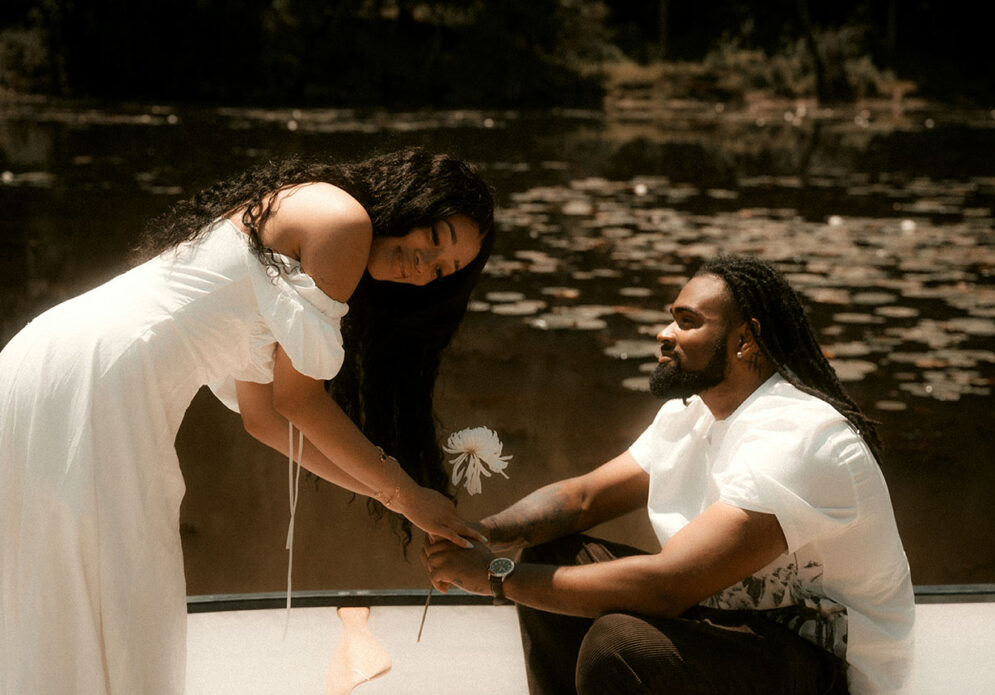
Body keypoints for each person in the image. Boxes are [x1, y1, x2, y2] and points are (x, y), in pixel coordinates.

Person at [0, 147, 494, 694]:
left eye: (443, 270)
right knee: (125, 594)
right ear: (413, 201)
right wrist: (405, 492)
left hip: (47, 359)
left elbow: (264, 418)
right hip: (101, 381)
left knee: (64, 591)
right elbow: (300, 403)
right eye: (435, 240)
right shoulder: (343, 222)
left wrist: (399, 499)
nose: (424, 267)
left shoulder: (310, 209)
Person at [423, 255, 915, 694]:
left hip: (826, 669)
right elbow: (584, 500)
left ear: (745, 340)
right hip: (737, 629)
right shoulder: (692, 414)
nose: (664, 333)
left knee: (619, 645)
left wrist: (494, 576)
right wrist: (479, 534)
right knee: (555, 553)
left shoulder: (800, 438)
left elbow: (668, 586)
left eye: (687, 322)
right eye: (669, 318)